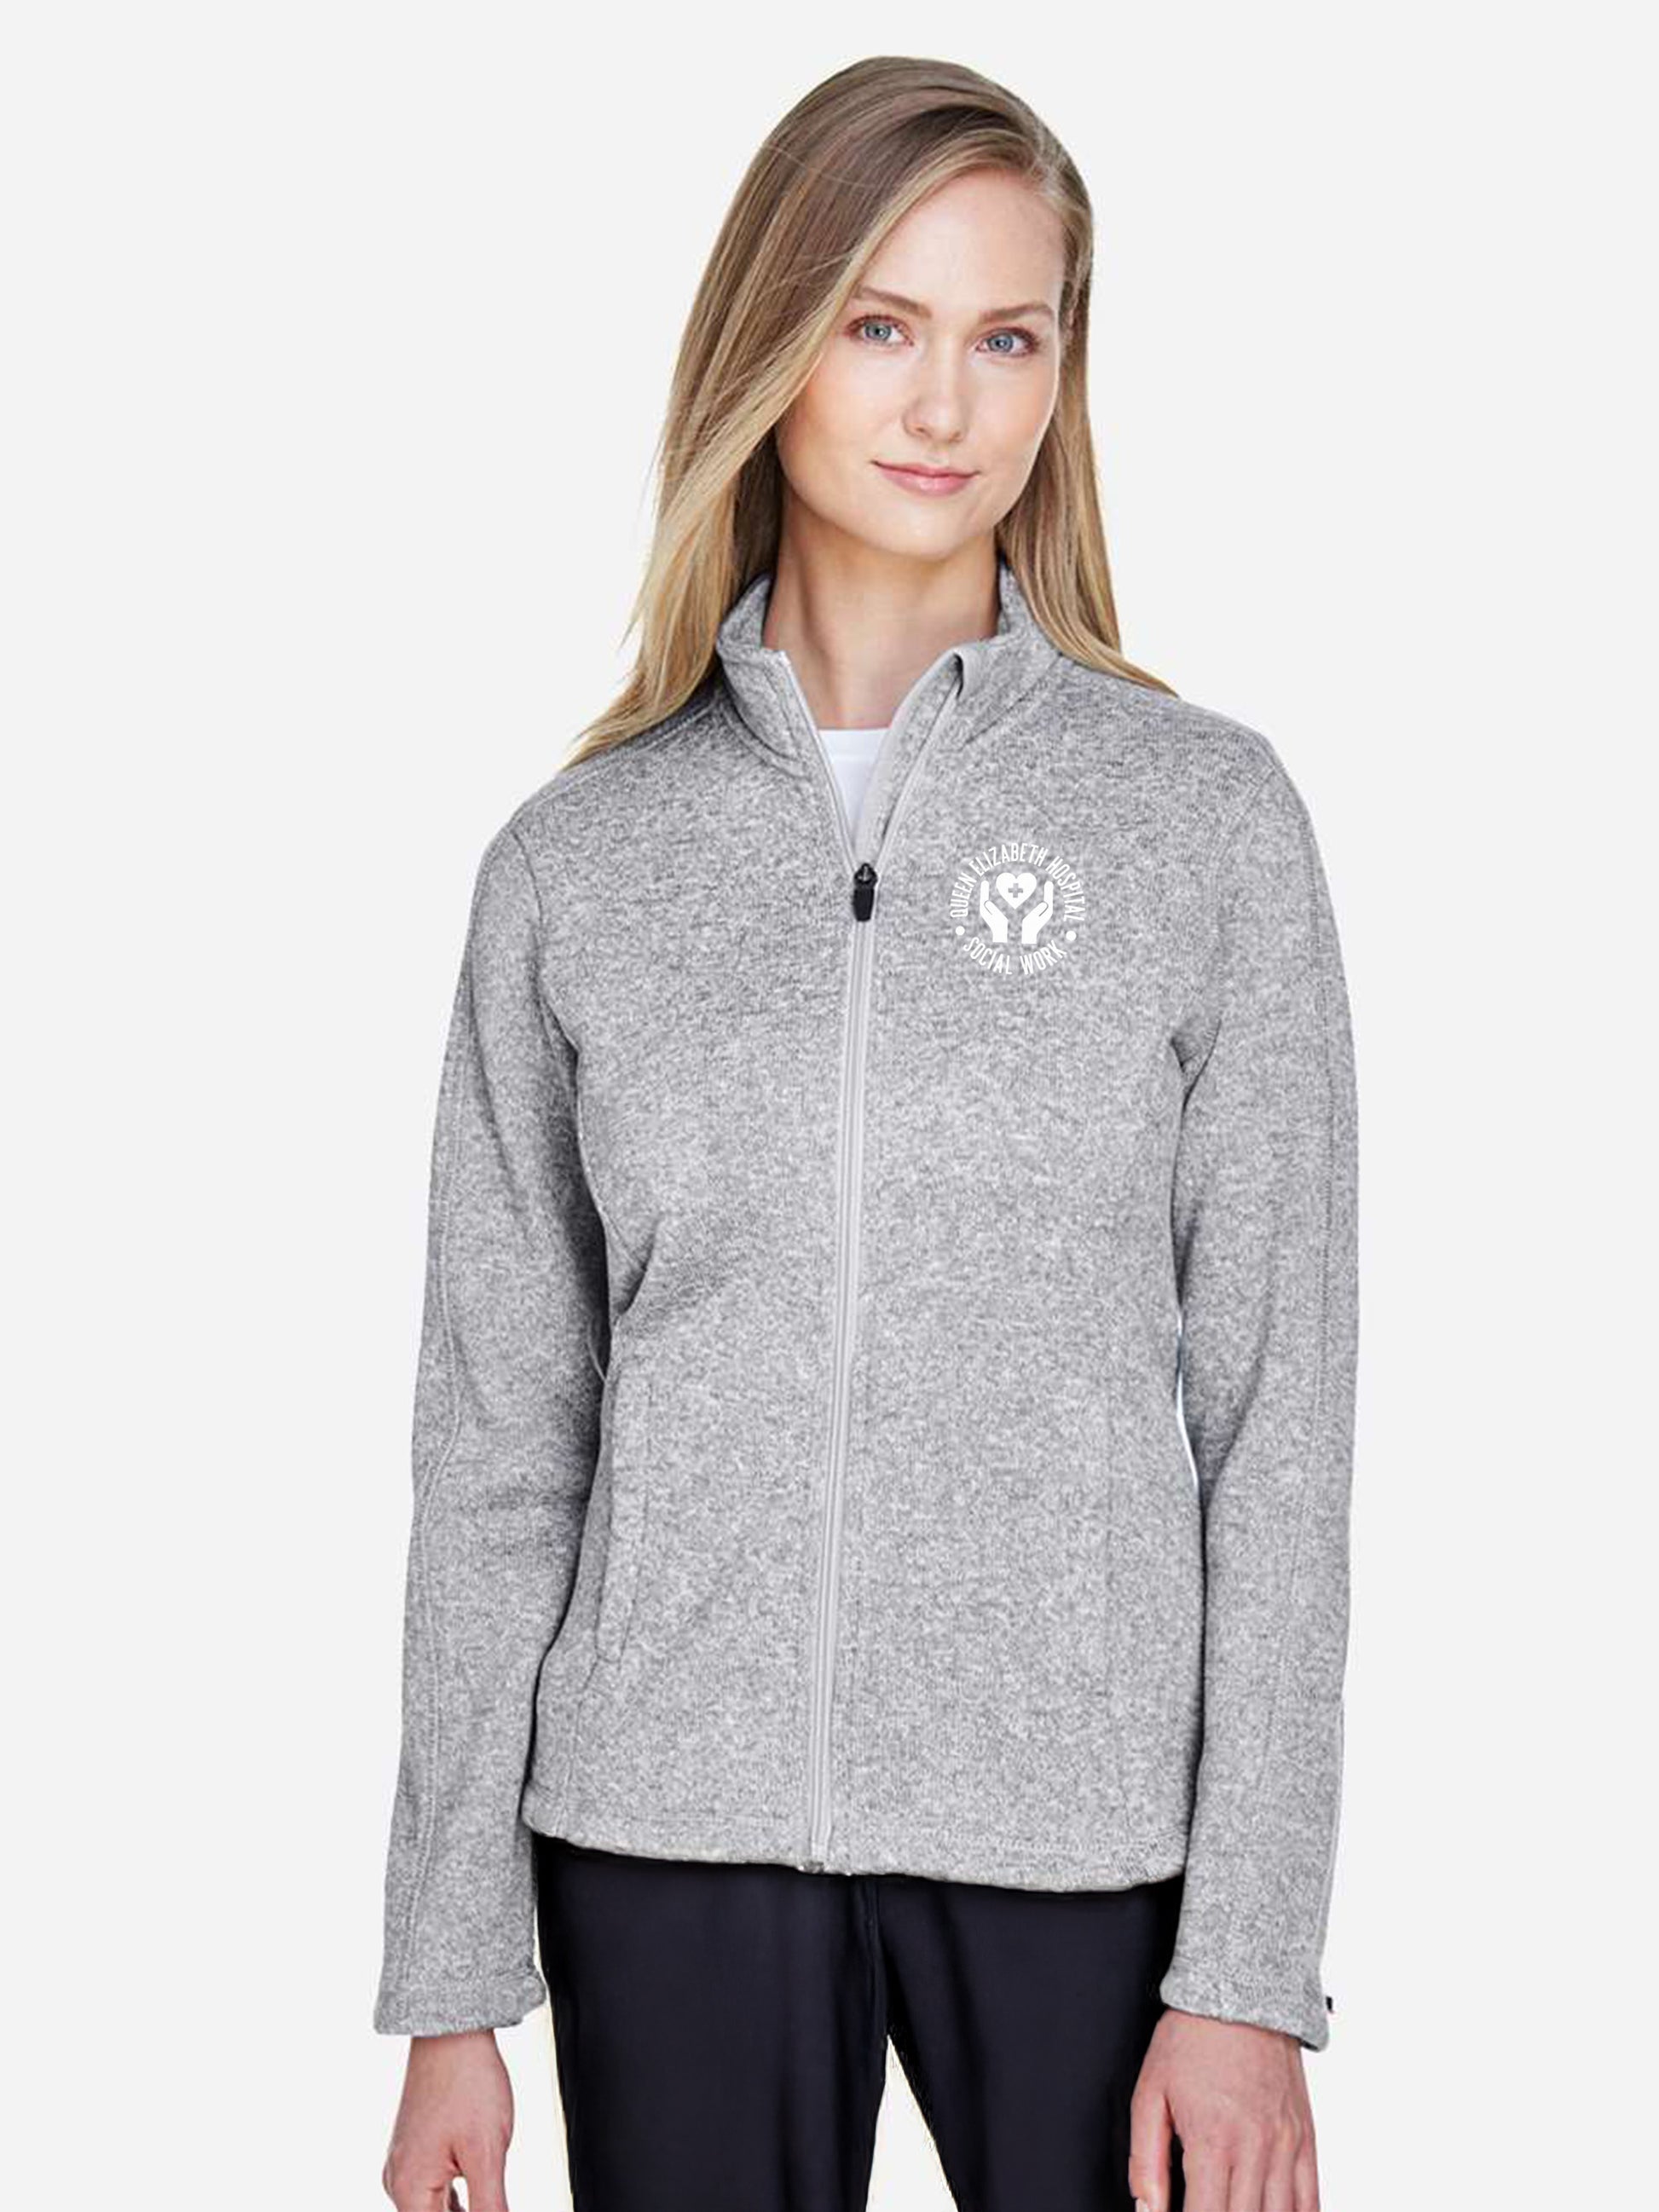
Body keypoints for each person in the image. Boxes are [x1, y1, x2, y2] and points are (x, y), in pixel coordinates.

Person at [375, 53, 1358, 2212]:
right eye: (880, 324)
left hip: (1086, 1834)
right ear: (771, 346)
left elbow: (1276, 1431)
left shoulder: (1200, 824)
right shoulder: (578, 865)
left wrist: (1247, 1969)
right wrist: (450, 1976)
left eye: (1009, 337)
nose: (945, 404)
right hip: (662, 1830)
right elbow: (500, 1441)